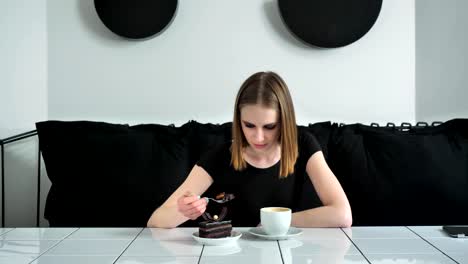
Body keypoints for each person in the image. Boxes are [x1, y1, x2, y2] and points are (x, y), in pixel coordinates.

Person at [147, 71, 352, 228]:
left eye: (270, 126)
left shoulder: (304, 144)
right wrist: (183, 212)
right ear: (239, 121)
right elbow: (156, 220)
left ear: (284, 122)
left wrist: (275, 222)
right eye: (249, 126)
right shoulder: (220, 155)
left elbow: (342, 214)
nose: (259, 137)